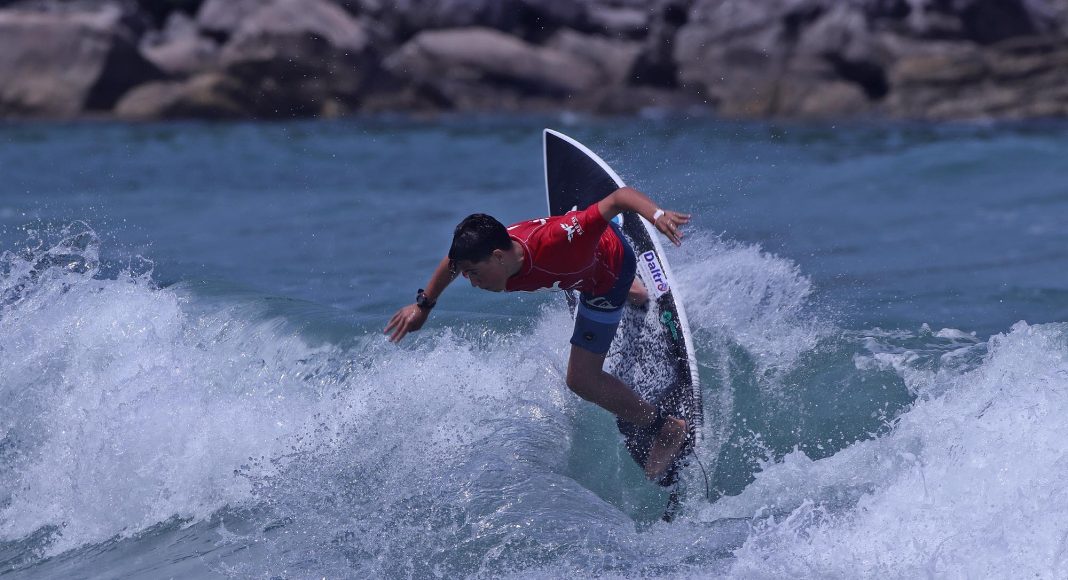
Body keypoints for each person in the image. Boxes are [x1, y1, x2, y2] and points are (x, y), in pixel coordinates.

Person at [384, 186, 691, 480]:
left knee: (582, 380)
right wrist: (423, 305)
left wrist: (658, 214)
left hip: (607, 275)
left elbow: (618, 198)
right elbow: (452, 264)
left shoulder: (556, 239)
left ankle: (667, 428)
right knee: (580, 277)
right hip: (583, 269)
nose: (471, 282)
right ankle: (634, 293)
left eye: (474, 273)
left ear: (498, 256)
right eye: (466, 274)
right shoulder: (498, 255)